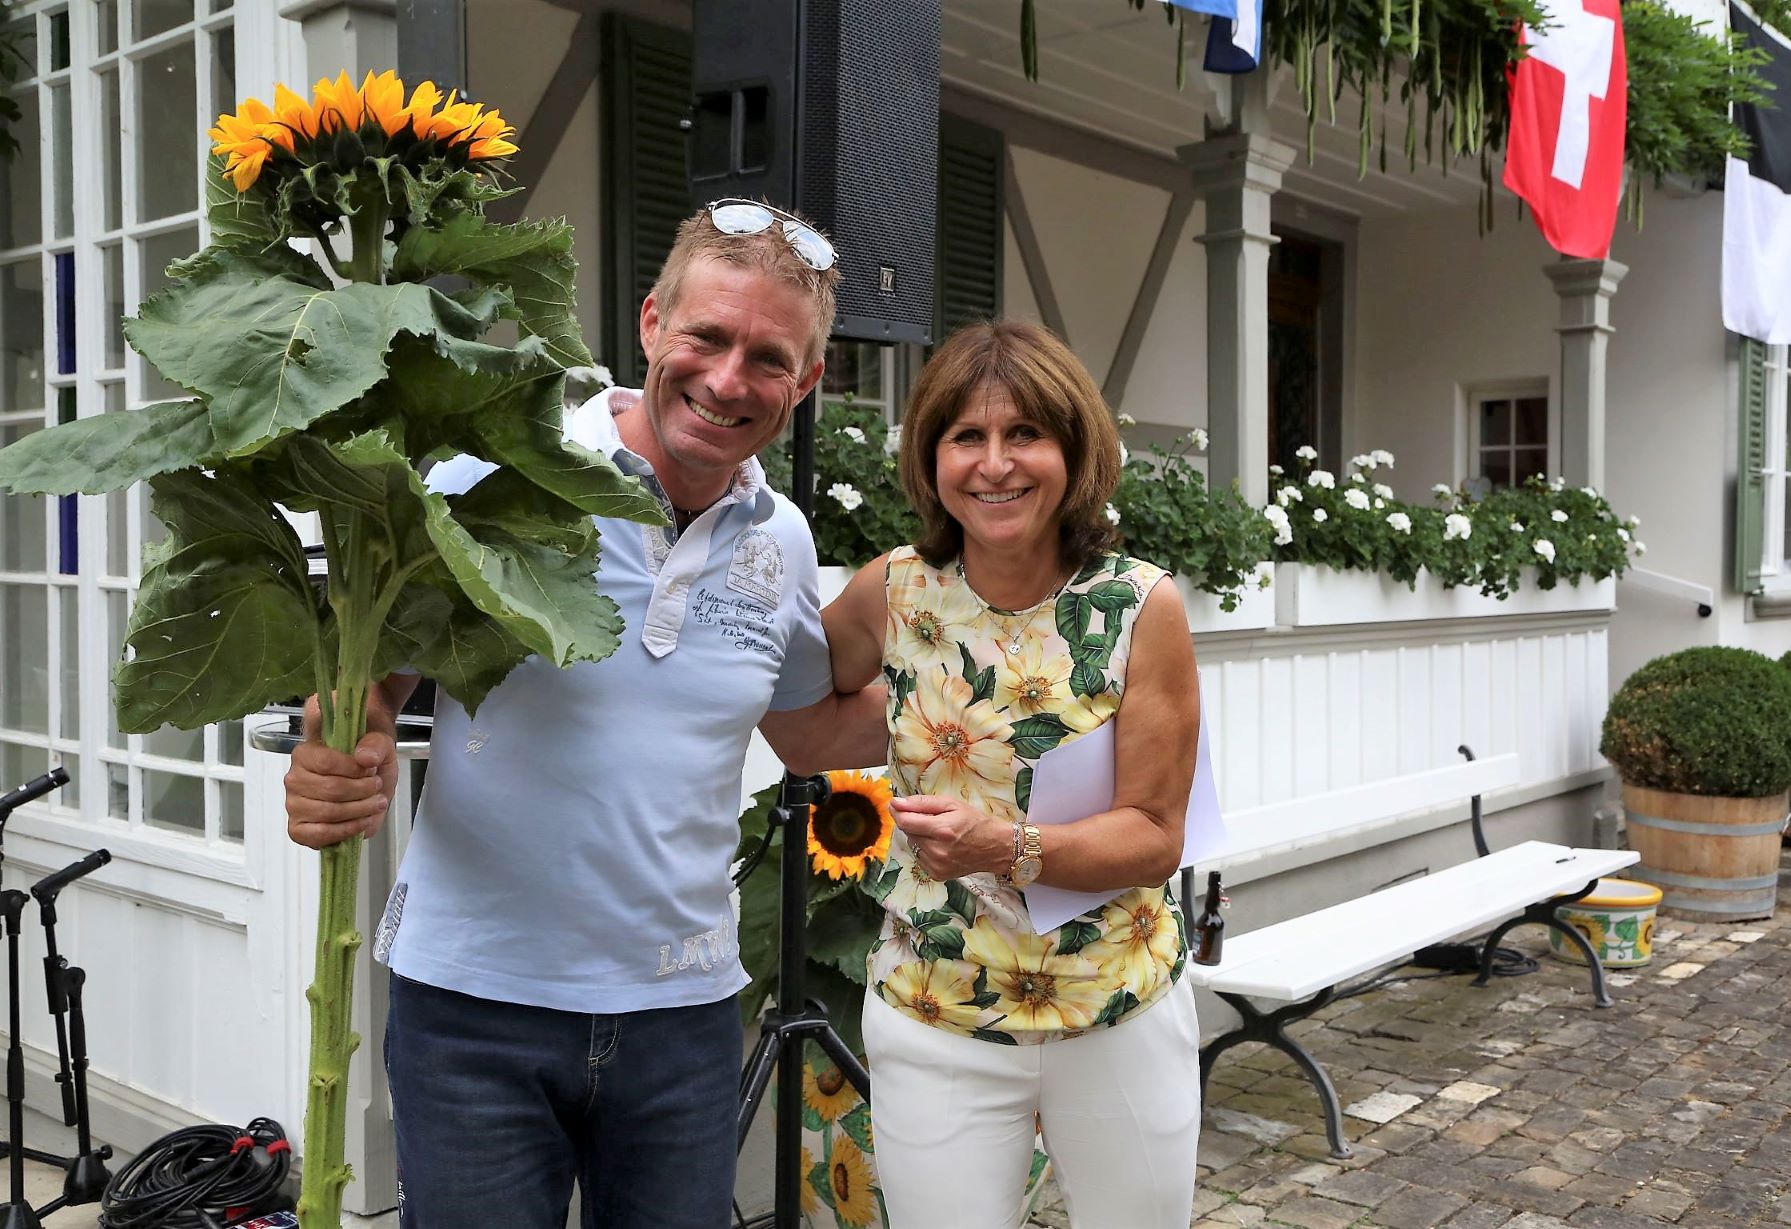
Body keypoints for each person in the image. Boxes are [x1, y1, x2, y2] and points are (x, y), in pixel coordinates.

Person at [282, 200, 887, 1229]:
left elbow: (805, 730)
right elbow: (366, 676)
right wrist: (337, 748)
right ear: (652, 323)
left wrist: (975, 696)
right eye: (707, 336)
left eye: (768, 356)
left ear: (809, 377)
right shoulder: (494, 471)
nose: (729, 378)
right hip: (477, 1009)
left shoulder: (778, 537)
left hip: (684, 1019)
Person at [821, 320, 1204, 1228]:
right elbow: (797, 703)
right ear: (932, 456)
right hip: (936, 1010)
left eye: (1024, 433)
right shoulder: (893, 590)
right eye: (967, 436)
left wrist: (1005, 846)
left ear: (1072, 450)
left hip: (1118, 1005)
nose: (995, 463)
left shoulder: (1139, 607)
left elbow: (1155, 833)